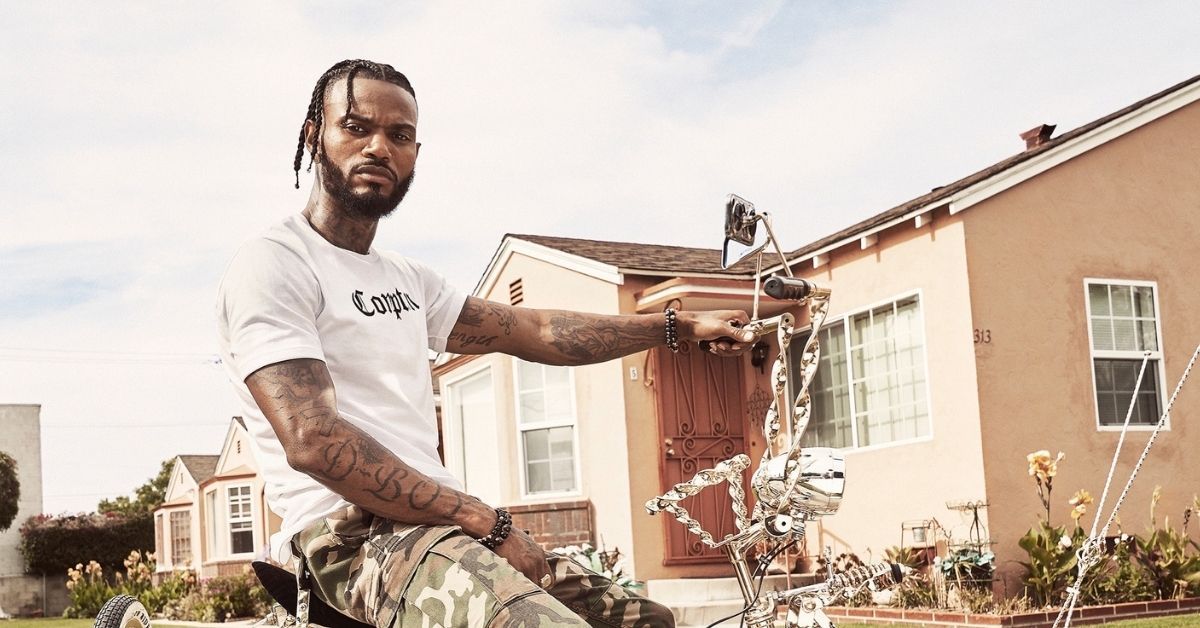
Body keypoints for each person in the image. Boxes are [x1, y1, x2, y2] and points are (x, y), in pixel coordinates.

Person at [216, 59, 758, 628]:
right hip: (346, 539)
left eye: (399, 135)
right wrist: (483, 520)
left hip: (440, 527)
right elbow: (313, 440)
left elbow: (535, 330)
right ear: (314, 135)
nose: (378, 147)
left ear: (415, 154)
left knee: (649, 621)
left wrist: (676, 328)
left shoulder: (407, 280)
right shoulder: (275, 264)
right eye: (356, 127)